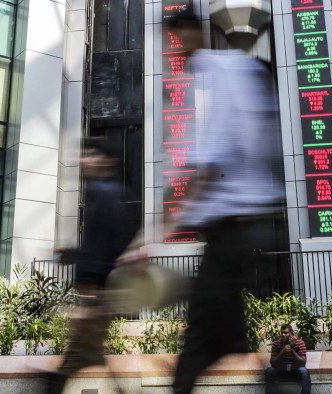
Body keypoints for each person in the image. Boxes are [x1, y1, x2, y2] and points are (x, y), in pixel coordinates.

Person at [118, 10, 286, 394]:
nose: (171, 50)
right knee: (217, 334)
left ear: (195, 33)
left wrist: (152, 238)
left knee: (200, 336)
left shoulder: (219, 75)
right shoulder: (231, 72)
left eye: (173, 40)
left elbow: (207, 167)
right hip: (236, 228)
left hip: (231, 228)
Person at [46, 137, 136, 394]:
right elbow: (108, 247)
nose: (83, 160)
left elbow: (101, 249)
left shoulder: (103, 193)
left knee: (74, 362)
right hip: (100, 294)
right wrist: (74, 254)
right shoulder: (116, 194)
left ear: (106, 161)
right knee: (84, 359)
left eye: (91, 154)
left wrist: (88, 300)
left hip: (95, 296)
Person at [265, 324, 311, 394]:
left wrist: (292, 350)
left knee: (304, 371)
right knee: (269, 370)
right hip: (281, 371)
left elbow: (303, 362)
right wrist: (282, 352)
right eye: (282, 333)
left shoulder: (299, 343)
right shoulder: (277, 343)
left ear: (291, 333)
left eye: (286, 333)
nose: (283, 335)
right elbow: (272, 362)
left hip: (295, 371)